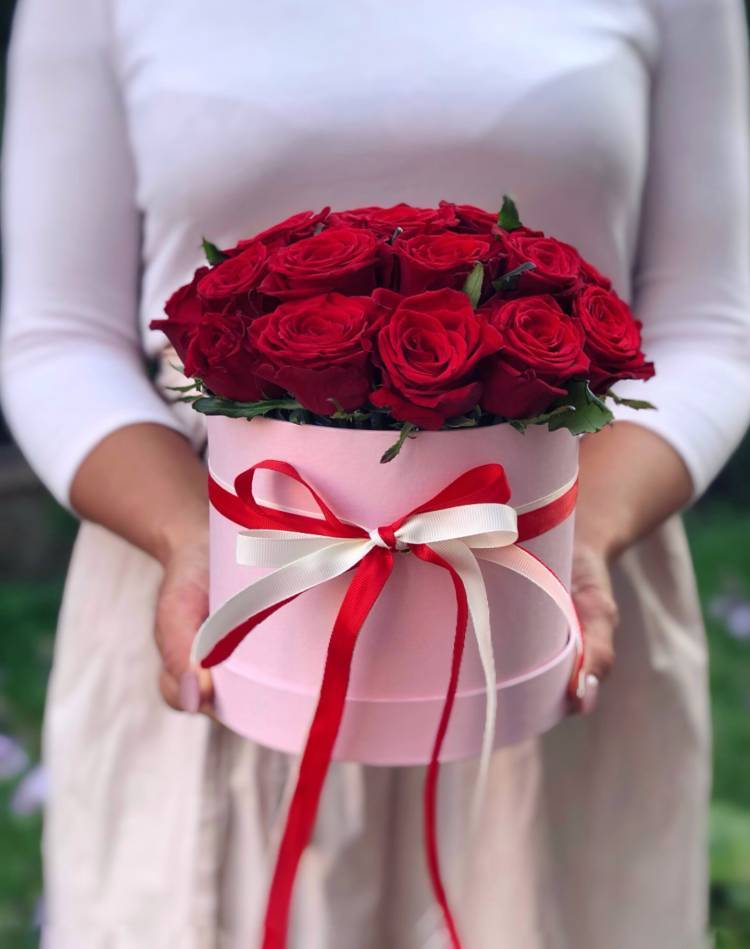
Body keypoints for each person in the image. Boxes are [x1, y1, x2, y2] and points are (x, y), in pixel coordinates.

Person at [2, 1, 750, 947]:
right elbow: (55, 334)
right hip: (230, 586)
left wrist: (580, 539)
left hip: (544, 595)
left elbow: (710, 326)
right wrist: (200, 546)